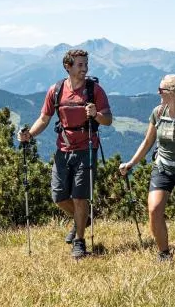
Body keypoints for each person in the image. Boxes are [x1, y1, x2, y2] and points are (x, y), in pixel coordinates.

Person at [19, 48, 111, 260]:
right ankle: (82, 219)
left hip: (87, 147)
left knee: (80, 197)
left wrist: (96, 114)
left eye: (86, 64)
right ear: (67, 66)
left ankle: (79, 241)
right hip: (63, 148)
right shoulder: (57, 90)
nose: (84, 69)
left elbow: (108, 119)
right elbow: (44, 118)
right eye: (80, 65)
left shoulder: (94, 90)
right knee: (59, 196)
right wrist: (29, 135)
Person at [119, 73, 175, 261]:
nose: (158, 93)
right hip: (163, 167)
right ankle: (164, 254)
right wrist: (131, 163)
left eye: (161, 90)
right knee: (154, 210)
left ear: (173, 92)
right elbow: (147, 142)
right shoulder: (158, 112)